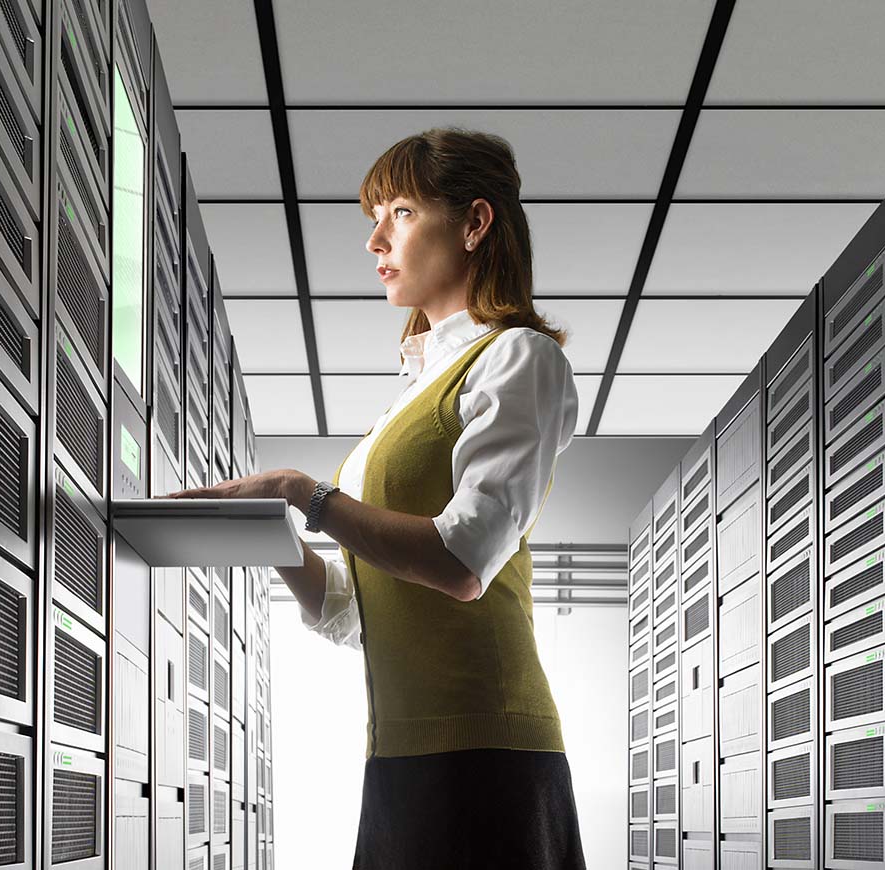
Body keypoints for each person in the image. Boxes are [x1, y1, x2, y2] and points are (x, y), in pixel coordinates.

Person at [169, 127, 585, 869]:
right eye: (374, 220)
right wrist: (272, 532)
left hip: (486, 749)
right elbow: (347, 613)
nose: (375, 241)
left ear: (474, 223)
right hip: (398, 749)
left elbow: (462, 561)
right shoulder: (411, 390)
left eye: (398, 213)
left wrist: (304, 491)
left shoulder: (520, 356)